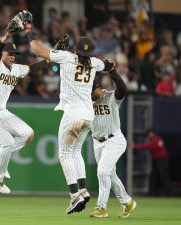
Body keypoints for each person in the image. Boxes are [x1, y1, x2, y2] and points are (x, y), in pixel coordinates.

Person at [20, 11, 115, 214]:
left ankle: (75, 195)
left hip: (72, 114)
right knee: (75, 152)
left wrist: (28, 30)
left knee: (65, 154)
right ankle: (83, 190)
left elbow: (38, 50)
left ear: (75, 49)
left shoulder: (67, 58)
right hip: (89, 115)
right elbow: (108, 64)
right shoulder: (95, 63)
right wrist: (110, 64)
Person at [0, 24, 48, 194]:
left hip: (1, 112)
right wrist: (5, 38)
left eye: (15, 54)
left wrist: (49, 58)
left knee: (28, 134)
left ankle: (0, 159)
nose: (13, 57)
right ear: (3, 54)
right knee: (7, 142)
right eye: (10, 53)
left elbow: (33, 68)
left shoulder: (16, 69)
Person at [90, 69, 136, 218]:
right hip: (97, 142)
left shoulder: (111, 97)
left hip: (114, 139)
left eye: (97, 88)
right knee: (110, 174)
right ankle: (127, 202)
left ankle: (101, 207)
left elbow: (122, 89)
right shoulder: (86, 102)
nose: (99, 91)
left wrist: (112, 71)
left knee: (103, 172)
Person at [134, 128, 171, 195]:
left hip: (162, 160)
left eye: (148, 134)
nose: (148, 136)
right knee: (154, 177)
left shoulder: (156, 139)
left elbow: (148, 146)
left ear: (151, 133)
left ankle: (168, 193)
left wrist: (136, 146)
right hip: (157, 160)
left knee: (163, 177)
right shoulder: (156, 139)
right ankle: (153, 193)